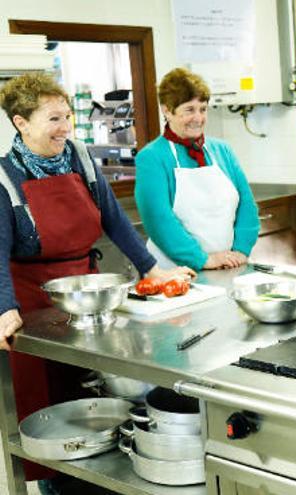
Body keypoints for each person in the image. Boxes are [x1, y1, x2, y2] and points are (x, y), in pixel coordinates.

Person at [0, 73, 194, 492]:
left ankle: (103, 476)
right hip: (32, 303)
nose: (65, 127)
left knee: (99, 391)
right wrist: (3, 308)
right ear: (21, 123)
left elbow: (115, 221)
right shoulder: (4, 179)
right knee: (48, 401)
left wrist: (150, 269)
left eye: (67, 116)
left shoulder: (80, 158)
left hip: (88, 296)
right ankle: (56, 483)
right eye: (54, 119)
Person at [135, 68, 260, 271]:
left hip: (228, 267)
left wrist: (240, 251)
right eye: (189, 110)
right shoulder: (152, 158)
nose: (198, 117)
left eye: (203, 109)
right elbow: (158, 220)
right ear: (167, 111)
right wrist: (203, 260)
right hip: (176, 273)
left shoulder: (222, 150)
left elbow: (247, 205)